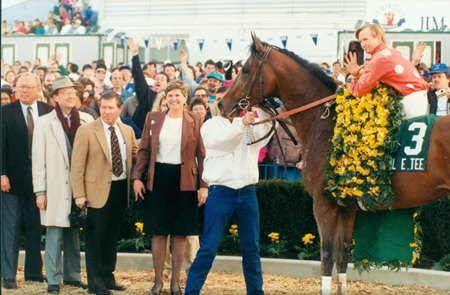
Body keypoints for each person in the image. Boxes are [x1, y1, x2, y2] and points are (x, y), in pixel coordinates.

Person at [185, 107, 272, 295]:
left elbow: (263, 138)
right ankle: (191, 292)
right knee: (209, 247)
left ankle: (256, 292)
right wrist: (243, 123)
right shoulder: (211, 125)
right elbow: (224, 143)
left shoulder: (247, 124)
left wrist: (264, 112)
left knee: (251, 248)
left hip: (247, 192)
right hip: (220, 192)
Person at [133, 80, 207, 295]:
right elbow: (144, 150)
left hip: (185, 181)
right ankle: (158, 281)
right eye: (170, 95)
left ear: (185, 98)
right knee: (158, 232)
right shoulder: (153, 118)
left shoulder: (195, 120)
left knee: (180, 233)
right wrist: (137, 177)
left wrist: (203, 186)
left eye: (178, 95)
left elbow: (202, 155)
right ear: (165, 98)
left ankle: (175, 281)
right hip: (159, 178)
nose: (174, 99)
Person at [71, 91, 138, 295]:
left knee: (111, 237)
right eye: (103, 107)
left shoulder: (126, 130)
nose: (107, 111)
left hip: (119, 190)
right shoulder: (86, 131)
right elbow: (77, 166)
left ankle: (108, 277)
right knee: (95, 239)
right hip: (94, 193)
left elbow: (135, 154)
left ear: (119, 109)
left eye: (111, 108)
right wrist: (79, 195)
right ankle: (95, 283)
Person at [32, 76, 93, 293]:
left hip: (80, 187)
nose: (70, 95)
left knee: (74, 233)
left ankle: (73, 276)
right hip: (55, 186)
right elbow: (38, 160)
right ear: (55, 97)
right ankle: (54, 280)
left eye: (72, 92)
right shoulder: (44, 122)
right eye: (64, 92)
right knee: (55, 232)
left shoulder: (86, 120)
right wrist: (40, 191)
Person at [1, 72, 53, 289]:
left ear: (38, 88)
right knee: (10, 229)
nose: (24, 91)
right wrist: (1, 174)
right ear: (15, 89)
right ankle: (8, 275)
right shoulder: (4, 112)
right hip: (11, 182)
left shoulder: (48, 111)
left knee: (35, 228)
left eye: (29, 87)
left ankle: (33, 272)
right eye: (20, 87)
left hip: (40, 183)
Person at [344, 23, 429, 119]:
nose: (362, 45)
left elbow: (358, 91)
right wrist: (358, 75)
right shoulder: (388, 51)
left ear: (378, 38)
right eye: (360, 41)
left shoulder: (379, 57)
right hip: (415, 97)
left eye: (365, 39)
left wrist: (352, 78)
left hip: (410, 100)